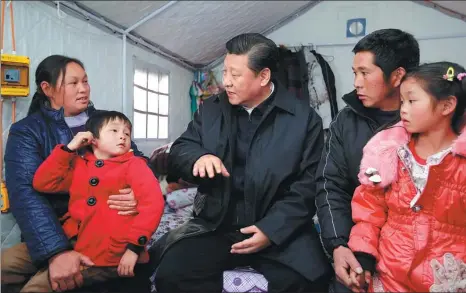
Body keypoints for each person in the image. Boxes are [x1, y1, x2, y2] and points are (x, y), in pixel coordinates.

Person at [151, 33, 332, 293]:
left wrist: (271, 230)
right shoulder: (211, 110)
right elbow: (181, 149)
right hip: (217, 225)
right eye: (225, 72)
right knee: (171, 274)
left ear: (264, 77)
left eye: (235, 75)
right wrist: (198, 157)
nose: (226, 82)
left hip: (279, 228)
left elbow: (307, 186)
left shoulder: (303, 120)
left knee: (309, 280)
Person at [1, 55, 150, 293]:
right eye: (73, 83)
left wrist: (137, 190)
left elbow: (138, 158)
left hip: (104, 228)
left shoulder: (104, 120)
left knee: (35, 288)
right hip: (60, 227)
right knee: (6, 266)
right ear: (47, 89)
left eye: (86, 81)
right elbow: (27, 193)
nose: (83, 89)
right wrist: (56, 251)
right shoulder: (27, 131)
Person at [314, 28, 420, 291]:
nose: (357, 83)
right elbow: (330, 185)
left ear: (397, 76)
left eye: (365, 73)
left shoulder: (427, 123)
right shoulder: (346, 121)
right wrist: (338, 245)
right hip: (357, 244)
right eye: (354, 73)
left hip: (416, 255)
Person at [347, 62, 466, 292]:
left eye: (412, 101)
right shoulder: (387, 154)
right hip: (390, 276)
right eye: (402, 102)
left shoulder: (461, 163)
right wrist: (363, 256)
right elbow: (368, 210)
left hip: (448, 281)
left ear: (447, 105)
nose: (403, 110)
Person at [26, 110, 165, 292]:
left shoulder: (135, 165)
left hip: (111, 255)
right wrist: (68, 149)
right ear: (93, 139)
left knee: (37, 287)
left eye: (127, 133)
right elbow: (43, 183)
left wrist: (134, 248)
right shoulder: (79, 164)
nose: (122, 136)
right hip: (73, 243)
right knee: (7, 265)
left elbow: (153, 205)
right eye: (114, 131)